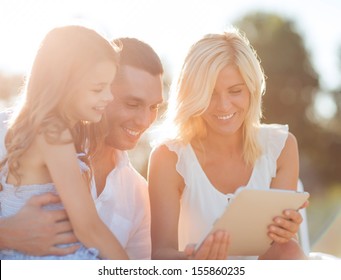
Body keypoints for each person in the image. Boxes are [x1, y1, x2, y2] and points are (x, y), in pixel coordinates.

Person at [148, 28, 307, 260]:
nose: (223, 106)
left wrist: (286, 232)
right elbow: (161, 254)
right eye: (210, 93)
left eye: (235, 91)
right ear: (193, 95)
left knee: (290, 249)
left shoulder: (281, 147)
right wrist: (195, 261)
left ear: (251, 90)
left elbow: (281, 250)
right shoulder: (169, 157)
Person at [0, 37, 164, 260]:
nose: (145, 120)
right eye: (132, 104)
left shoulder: (138, 194)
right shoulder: (10, 130)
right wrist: (6, 234)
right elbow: (88, 227)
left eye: (154, 107)